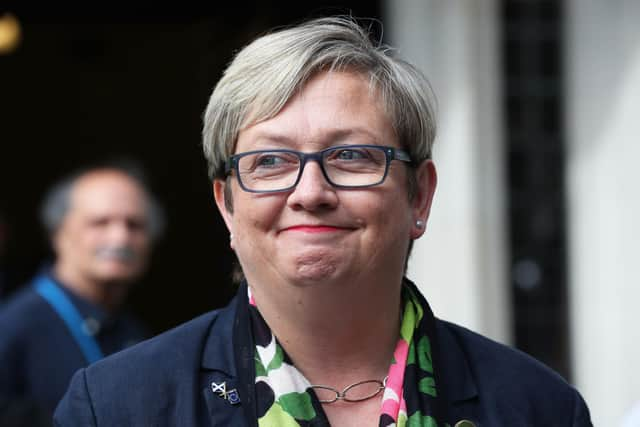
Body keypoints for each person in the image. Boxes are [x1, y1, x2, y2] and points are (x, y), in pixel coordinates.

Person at [54, 17, 592, 426]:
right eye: (270, 161)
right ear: (227, 206)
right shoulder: (114, 406)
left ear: (419, 196)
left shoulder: (538, 407)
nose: (310, 192)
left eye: (352, 156)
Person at [0, 164, 164, 423]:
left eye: (135, 225)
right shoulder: (12, 331)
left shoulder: (135, 330)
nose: (120, 237)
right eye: (100, 223)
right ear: (58, 233)